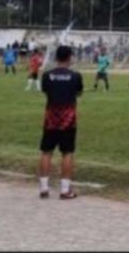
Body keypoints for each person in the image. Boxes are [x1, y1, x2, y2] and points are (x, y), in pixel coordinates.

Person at [37, 46, 83, 200]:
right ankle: (65, 190)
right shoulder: (75, 76)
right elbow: (79, 92)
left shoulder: (47, 75)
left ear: (56, 58)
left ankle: (44, 188)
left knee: (46, 151)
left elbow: (46, 92)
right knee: (67, 153)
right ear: (70, 57)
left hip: (51, 116)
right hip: (68, 117)